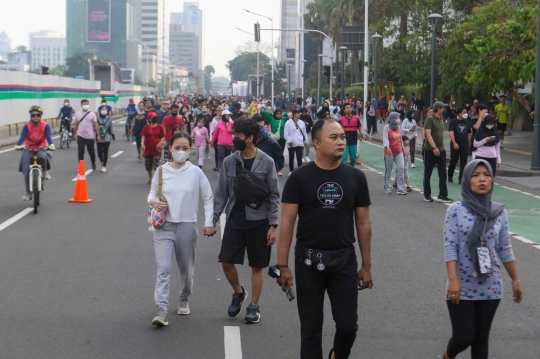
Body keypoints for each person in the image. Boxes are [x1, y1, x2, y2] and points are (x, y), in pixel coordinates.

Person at [276, 118, 373, 359]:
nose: (341, 142)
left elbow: (363, 222)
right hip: (308, 260)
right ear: (316, 143)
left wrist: (367, 265)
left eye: (342, 137)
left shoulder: (356, 178)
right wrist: (283, 266)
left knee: (348, 326)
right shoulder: (299, 178)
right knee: (310, 330)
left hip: (344, 260)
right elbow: (287, 222)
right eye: (334, 137)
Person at [442, 159, 522, 359]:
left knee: (481, 338)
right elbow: (450, 246)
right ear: (467, 179)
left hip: (491, 286)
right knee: (463, 337)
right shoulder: (455, 210)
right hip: (461, 285)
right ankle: (448, 356)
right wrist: (453, 281)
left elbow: (504, 248)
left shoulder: (499, 212)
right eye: (476, 175)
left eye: (486, 175)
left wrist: (515, 280)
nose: (482, 179)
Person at [213, 119, 280, 324]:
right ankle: (239, 292)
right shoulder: (229, 162)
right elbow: (221, 193)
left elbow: (274, 195)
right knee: (226, 260)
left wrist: (272, 225)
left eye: (239, 136)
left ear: (250, 138)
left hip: (258, 221)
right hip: (235, 219)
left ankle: (254, 306)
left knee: (257, 265)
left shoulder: (266, 162)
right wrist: (212, 221)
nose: (235, 139)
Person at [148, 132, 216, 327]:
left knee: (186, 270)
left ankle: (184, 298)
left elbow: (208, 197)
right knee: (164, 270)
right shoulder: (161, 171)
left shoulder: (196, 172)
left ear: (190, 150)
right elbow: (151, 194)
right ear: (170, 149)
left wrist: (209, 222)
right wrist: (153, 200)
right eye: (177, 147)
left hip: (187, 226)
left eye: (185, 148)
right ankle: (161, 310)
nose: (180, 151)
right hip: (164, 228)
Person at [15, 106, 55, 201]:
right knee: (26, 170)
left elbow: (48, 137)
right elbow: (22, 137)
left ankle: (45, 172)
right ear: (31, 116)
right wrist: (18, 145)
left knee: (42, 155)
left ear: (41, 116)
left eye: (38, 115)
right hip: (29, 147)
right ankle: (27, 192)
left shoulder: (45, 125)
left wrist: (51, 144)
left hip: (42, 145)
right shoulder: (27, 125)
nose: (35, 117)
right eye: (33, 115)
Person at [423, 102, 452, 203]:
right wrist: (434, 147)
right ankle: (427, 195)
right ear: (438, 109)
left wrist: (439, 148)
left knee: (443, 172)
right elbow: (428, 134)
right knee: (428, 172)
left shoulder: (441, 120)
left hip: (441, 149)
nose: (444, 109)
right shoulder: (429, 119)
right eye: (442, 108)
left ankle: (442, 194)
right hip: (430, 149)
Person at [72, 99, 101, 171]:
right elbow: (75, 125)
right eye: (84, 104)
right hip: (81, 135)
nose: (86, 105)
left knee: (91, 151)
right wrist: (73, 135)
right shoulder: (77, 114)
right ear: (81, 105)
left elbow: (96, 125)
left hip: (90, 136)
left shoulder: (92, 114)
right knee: (81, 151)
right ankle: (80, 166)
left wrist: (98, 135)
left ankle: (93, 162)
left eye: (87, 104)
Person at [383, 112, 407, 195]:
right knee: (388, 170)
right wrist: (387, 147)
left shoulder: (399, 127)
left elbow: (400, 139)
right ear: (393, 119)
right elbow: (385, 138)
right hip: (389, 152)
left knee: (401, 168)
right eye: (397, 118)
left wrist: (403, 149)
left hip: (398, 151)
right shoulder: (387, 127)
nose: (398, 119)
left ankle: (400, 188)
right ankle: (387, 186)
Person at [448, 107, 472, 184]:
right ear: (459, 113)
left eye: (466, 112)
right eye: (464, 112)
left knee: (464, 163)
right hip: (456, 144)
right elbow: (451, 133)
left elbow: (469, 135)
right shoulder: (453, 122)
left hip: (464, 145)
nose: (466, 114)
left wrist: (469, 145)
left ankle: (461, 178)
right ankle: (450, 175)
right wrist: (454, 143)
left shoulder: (467, 123)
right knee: (453, 161)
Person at [141, 112, 165, 185]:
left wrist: (160, 143)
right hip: (148, 150)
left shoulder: (160, 127)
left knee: (156, 164)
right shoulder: (146, 127)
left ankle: (154, 179)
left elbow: (163, 137)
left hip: (157, 149)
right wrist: (142, 144)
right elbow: (143, 136)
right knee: (148, 165)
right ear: (149, 119)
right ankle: (150, 178)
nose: (155, 119)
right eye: (153, 117)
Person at [285, 109, 309, 174]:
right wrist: (289, 140)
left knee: (299, 157)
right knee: (291, 157)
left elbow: (304, 132)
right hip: (291, 143)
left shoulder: (301, 123)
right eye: (298, 113)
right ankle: (291, 171)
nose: (299, 114)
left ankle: (300, 171)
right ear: (294, 114)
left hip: (299, 142)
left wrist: (306, 141)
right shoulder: (288, 122)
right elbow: (286, 133)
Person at [96, 105, 115, 173]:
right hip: (99, 137)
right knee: (99, 151)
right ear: (100, 111)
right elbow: (94, 127)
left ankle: (104, 166)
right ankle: (101, 160)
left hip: (107, 137)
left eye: (105, 109)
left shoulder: (109, 118)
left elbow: (111, 128)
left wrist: (113, 137)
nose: (104, 110)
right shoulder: (96, 118)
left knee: (105, 151)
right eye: (102, 109)